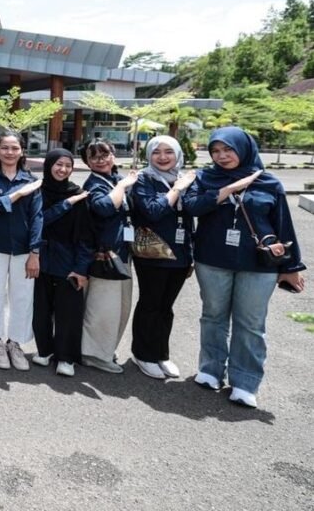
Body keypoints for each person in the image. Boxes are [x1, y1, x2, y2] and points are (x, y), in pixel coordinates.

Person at [182, 126, 305, 408]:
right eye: (216, 151)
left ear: (244, 149)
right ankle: (210, 369)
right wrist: (228, 190)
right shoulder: (205, 178)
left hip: (258, 265)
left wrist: (291, 266)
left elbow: (284, 225)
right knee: (212, 316)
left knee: (250, 323)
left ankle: (245, 381)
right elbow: (192, 207)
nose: (222, 156)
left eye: (228, 149)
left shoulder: (268, 183)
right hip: (212, 260)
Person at [130, 135, 196, 380]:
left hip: (180, 254)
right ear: (149, 155)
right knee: (150, 304)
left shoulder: (185, 177)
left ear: (177, 154)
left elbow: (190, 218)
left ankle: (161, 354)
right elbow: (153, 211)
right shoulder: (144, 179)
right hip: (152, 253)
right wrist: (177, 189)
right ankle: (142, 354)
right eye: (157, 152)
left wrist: (191, 254)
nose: (163, 157)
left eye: (169, 152)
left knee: (166, 307)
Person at [0, 131, 43, 371]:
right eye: (4, 147)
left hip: (24, 249)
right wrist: (18, 194)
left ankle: (15, 343)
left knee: (22, 297)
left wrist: (35, 252)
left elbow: (37, 218)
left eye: (15, 148)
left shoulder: (31, 180)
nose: (10, 152)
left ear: (22, 151)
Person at [32, 149, 92, 377]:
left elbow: (86, 237)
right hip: (41, 259)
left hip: (69, 260)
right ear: (48, 165)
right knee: (41, 308)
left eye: (68, 165)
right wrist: (66, 204)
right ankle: (45, 350)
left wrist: (81, 268)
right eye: (58, 164)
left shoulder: (79, 195)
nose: (63, 169)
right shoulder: (37, 191)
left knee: (69, 311)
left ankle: (66, 357)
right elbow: (37, 222)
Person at [80, 139, 137, 374]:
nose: (100, 160)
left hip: (121, 253)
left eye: (105, 154)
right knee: (103, 309)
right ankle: (94, 355)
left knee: (120, 307)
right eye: (94, 156)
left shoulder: (114, 179)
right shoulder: (95, 184)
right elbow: (104, 207)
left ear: (113, 155)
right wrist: (123, 185)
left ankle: (105, 349)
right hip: (105, 256)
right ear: (87, 162)